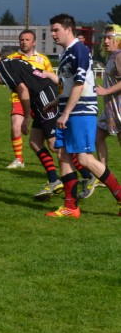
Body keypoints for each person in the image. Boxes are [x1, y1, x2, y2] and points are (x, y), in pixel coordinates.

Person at [46, 13, 121, 218]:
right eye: (51, 30)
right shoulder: (65, 54)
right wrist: (56, 103)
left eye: (56, 30)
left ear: (69, 29)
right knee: (62, 154)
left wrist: (67, 112)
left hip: (80, 111)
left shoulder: (79, 50)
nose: (52, 34)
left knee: (84, 159)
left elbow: (80, 83)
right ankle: (71, 206)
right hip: (68, 110)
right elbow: (67, 85)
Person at [0, 47, 62, 201]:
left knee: (54, 144)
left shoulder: (2, 67)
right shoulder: (11, 62)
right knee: (35, 142)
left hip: (44, 97)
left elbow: (23, 90)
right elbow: (38, 75)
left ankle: (86, 172)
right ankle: (53, 180)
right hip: (41, 97)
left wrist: (26, 117)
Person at [3, 30, 54, 170]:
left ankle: (70, 161)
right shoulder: (13, 58)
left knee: (50, 141)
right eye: (22, 40)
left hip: (39, 100)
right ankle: (19, 159)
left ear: (34, 42)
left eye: (27, 39)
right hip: (19, 98)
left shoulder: (43, 59)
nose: (24, 42)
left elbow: (51, 78)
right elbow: (0, 75)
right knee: (15, 128)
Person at [86, 24, 121, 199]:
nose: (106, 41)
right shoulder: (111, 57)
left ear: (118, 39)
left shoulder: (119, 56)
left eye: (110, 38)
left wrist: (105, 91)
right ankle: (102, 173)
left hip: (119, 109)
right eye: (104, 38)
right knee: (98, 137)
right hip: (109, 109)